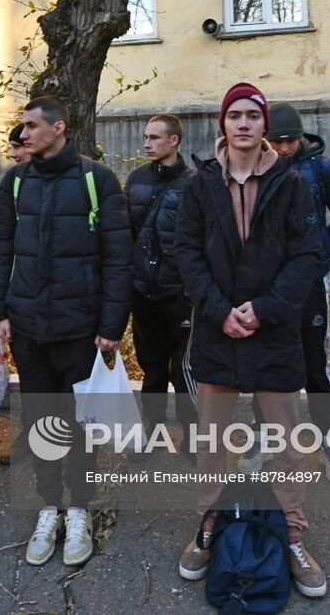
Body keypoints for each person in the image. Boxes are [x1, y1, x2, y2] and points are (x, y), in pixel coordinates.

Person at [174, 82, 328, 598]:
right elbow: (186, 255)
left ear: (265, 126)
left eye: (252, 115)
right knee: (213, 442)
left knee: (285, 443)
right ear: (223, 124)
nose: (243, 123)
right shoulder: (200, 187)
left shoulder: (293, 185)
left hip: (274, 332)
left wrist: (263, 310)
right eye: (234, 115)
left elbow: (309, 256)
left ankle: (293, 536)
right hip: (218, 333)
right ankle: (208, 525)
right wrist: (221, 312)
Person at [0, 95, 132, 569]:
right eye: (22, 127)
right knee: (44, 420)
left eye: (30, 126)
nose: (23, 134)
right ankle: (50, 506)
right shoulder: (15, 182)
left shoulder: (97, 181)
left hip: (80, 330)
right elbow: (1, 248)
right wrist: (2, 310)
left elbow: (118, 259)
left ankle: (81, 510)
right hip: (28, 327)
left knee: (81, 425)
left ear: (59, 128)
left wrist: (111, 325)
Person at [264, 103, 330, 486]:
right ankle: (265, 440)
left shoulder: (323, 169)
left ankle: (327, 439)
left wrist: (316, 252)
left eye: (290, 140)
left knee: (315, 363)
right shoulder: (256, 168)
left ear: (301, 136)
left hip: (308, 284)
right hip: (268, 287)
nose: (284, 147)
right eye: (276, 140)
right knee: (267, 361)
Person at [125, 114, 196, 431]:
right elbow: (126, 233)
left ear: (174, 140)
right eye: (146, 137)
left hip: (179, 294)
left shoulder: (194, 183)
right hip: (143, 293)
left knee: (184, 370)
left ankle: (192, 435)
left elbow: (200, 239)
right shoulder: (136, 179)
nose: (146, 143)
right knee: (151, 368)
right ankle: (151, 428)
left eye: (154, 137)